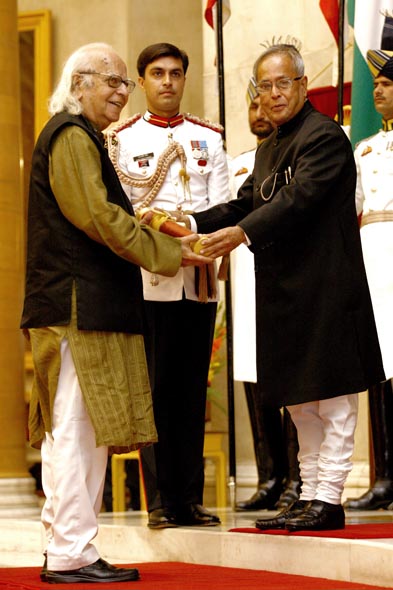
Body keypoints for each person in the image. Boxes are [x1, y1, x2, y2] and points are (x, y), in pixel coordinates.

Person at [21, 42, 209, 584]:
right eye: (114, 81)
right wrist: (174, 252)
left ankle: (66, 548)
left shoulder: (78, 136)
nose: (123, 93)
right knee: (78, 430)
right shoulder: (71, 135)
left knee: (76, 430)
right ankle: (72, 554)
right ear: (80, 82)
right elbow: (98, 217)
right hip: (79, 305)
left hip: (83, 303)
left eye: (126, 84)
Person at [190, 42, 385, 531]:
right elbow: (245, 202)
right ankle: (309, 494)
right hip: (287, 293)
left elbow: (297, 201)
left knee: (334, 399)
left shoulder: (324, 137)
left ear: (302, 85)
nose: (274, 95)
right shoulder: (270, 144)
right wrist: (189, 221)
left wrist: (242, 233)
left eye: (283, 83)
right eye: (265, 86)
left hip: (328, 289)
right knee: (301, 401)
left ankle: (330, 497)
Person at [107, 42, 230, 529]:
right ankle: (159, 501)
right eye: (157, 74)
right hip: (149, 280)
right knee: (155, 389)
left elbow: (222, 208)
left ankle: (190, 499)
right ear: (141, 82)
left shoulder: (209, 139)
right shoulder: (121, 139)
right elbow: (124, 215)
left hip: (198, 279)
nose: (167, 82)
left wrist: (197, 240)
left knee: (190, 392)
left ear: (184, 79)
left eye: (176, 73)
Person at [230, 90, 301, 511]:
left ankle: (297, 474)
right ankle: (269, 473)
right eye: (252, 104)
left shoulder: (295, 155)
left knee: (289, 373)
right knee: (253, 376)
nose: (259, 111)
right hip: (242, 276)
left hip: (281, 273)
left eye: (266, 103)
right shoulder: (243, 160)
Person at [344, 45, 393, 511]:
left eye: (387, 83)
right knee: (380, 368)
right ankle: (385, 476)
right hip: (373, 259)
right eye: (375, 83)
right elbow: (353, 208)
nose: (376, 88)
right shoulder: (366, 148)